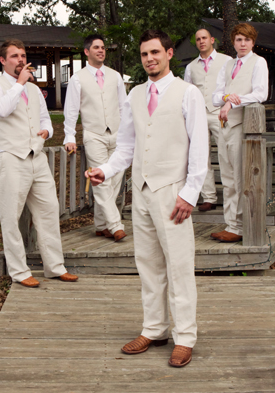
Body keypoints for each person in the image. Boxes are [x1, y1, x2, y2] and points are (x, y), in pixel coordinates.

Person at [87, 30, 208, 368]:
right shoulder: (135, 95)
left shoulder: (189, 93)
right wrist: (106, 170)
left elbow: (199, 146)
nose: (149, 59)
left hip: (173, 191)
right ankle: (155, 328)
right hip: (140, 191)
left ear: (169, 53)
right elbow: (127, 145)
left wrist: (189, 193)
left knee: (180, 266)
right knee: (149, 265)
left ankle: (185, 336)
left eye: (155, 52)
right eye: (144, 54)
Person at [0, 39, 78, 288]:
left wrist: (46, 131)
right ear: (3, 60)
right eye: (14, 56)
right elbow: (2, 110)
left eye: (23, 55)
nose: (21, 60)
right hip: (10, 158)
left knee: (49, 210)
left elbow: (45, 119)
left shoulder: (35, 90)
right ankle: (19, 270)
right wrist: (20, 84)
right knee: (11, 217)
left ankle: (55, 267)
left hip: (37, 157)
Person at [63, 34, 127, 241]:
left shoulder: (116, 76)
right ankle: (115, 225)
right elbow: (71, 110)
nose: (101, 50)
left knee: (114, 178)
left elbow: (123, 107)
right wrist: (69, 136)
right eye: (96, 47)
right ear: (87, 51)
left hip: (117, 134)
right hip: (94, 134)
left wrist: (128, 132)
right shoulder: (77, 78)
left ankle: (101, 224)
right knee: (100, 180)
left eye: (103, 47)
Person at [210, 23, 269, 242]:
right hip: (225, 127)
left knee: (239, 179)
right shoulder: (228, 65)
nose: (242, 44)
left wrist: (233, 103)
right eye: (238, 39)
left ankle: (241, 227)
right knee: (227, 179)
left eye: (246, 39)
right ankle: (231, 225)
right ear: (233, 42)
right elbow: (216, 97)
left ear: (253, 42)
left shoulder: (259, 62)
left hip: (243, 128)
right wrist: (227, 99)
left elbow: (260, 93)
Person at [184, 28, 232, 212]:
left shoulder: (227, 61)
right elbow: (188, 92)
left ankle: (230, 196)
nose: (201, 41)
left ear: (212, 40)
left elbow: (231, 84)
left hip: (220, 113)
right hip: (199, 115)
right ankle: (209, 197)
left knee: (225, 155)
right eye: (198, 39)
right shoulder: (190, 67)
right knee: (200, 156)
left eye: (204, 38)